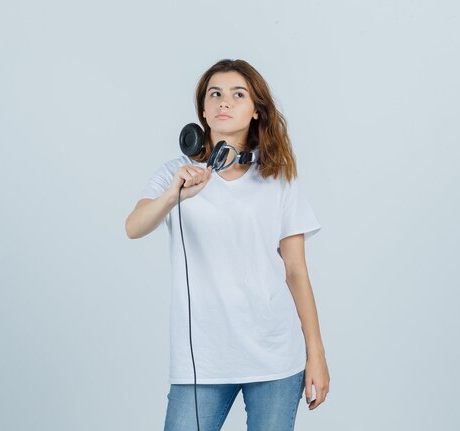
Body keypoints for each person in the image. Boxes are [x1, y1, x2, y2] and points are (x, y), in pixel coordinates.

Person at [125, 58, 330, 431]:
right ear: (202, 110)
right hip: (203, 360)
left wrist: (315, 352)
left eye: (238, 95)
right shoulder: (177, 174)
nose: (224, 102)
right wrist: (175, 195)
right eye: (214, 94)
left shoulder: (278, 178)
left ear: (255, 111)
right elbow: (134, 227)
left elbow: (296, 270)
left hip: (274, 356)